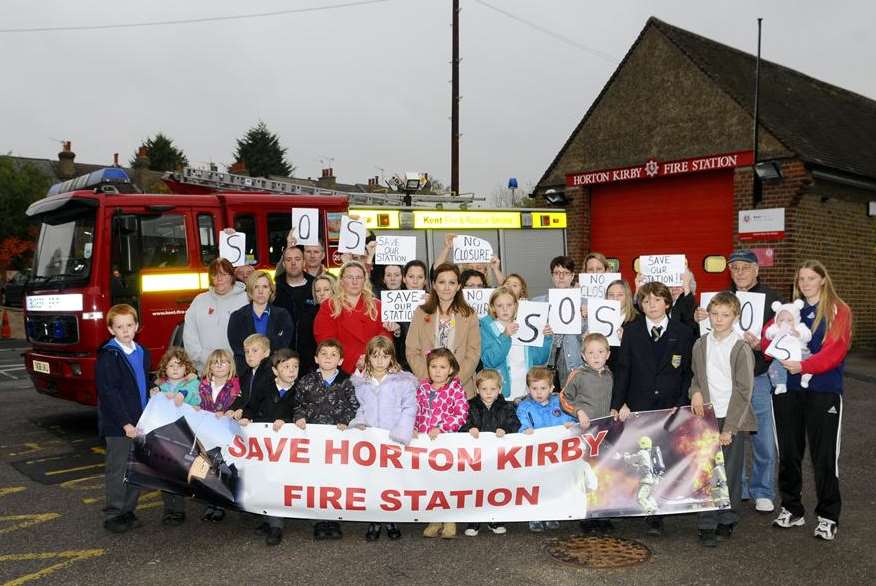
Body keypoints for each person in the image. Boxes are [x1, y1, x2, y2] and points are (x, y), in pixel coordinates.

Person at [694, 249, 783, 514]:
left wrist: (762, 345)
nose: (740, 272)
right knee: (730, 439)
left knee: (761, 435)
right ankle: (740, 486)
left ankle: (763, 490)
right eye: (735, 268)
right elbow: (705, 342)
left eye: (745, 267)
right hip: (724, 383)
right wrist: (699, 317)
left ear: (757, 270)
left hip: (758, 376)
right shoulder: (721, 300)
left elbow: (783, 340)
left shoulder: (773, 300)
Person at [768, 260, 852, 541]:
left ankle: (828, 516)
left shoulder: (838, 310)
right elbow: (769, 343)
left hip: (823, 390)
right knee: (789, 453)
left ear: (823, 280)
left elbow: (835, 352)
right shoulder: (790, 310)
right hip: (788, 390)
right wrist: (759, 341)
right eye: (801, 278)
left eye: (811, 278)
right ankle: (792, 510)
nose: (805, 283)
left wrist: (804, 367)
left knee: (824, 456)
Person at [611, 281, 694, 536]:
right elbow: (623, 369)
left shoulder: (684, 331)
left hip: (670, 405)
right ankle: (645, 511)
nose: (652, 305)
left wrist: (681, 404)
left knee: (665, 456)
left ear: (667, 303)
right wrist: (618, 403)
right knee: (642, 457)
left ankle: (662, 506)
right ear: (640, 305)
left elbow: (687, 373)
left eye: (657, 300)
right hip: (640, 404)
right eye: (646, 301)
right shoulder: (633, 332)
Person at [689, 292, 757, 547]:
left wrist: (730, 427)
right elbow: (696, 377)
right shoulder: (700, 344)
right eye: (715, 314)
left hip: (731, 417)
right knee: (706, 470)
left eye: (725, 315)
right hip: (705, 416)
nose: (719, 319)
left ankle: (727, 517)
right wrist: (694, 392)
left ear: (735, 317)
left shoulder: (740, 348)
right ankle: (706, 522)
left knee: (729, 472)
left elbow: (744, 390)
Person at [349, 335, 418, 541]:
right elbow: (361, 407)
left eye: (385, 356)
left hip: (392, 438)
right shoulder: (362, 382)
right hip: (371, 440)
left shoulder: (403, 382)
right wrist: (359, 422)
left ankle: (391, 519)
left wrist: (402, 432)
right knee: (372, 481)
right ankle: (374, 520)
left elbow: (409, 408)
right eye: (375, 355)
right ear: (368, 357)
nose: (380, 360)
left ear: (392, 358)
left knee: (392, 481)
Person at [293, 339, 360, 540]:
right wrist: (299, 417)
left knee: (335, 481)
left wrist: (346, 421)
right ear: (316, 358)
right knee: (317, 480)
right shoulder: (306, 381)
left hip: (338, 443)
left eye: (333, 355)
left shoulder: (348, 382)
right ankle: (319, 520)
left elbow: (355, 407)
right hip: (313, 441)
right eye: (324, 354)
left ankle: (334, 519)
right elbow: (297, 404)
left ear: (340, 360)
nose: (328, 358)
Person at [96, 304, 151, 534]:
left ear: (137, 326)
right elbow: (109, 393)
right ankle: (114, 513)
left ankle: (128, 510)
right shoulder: (110, 355)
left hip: (141, 422)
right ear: (111, 330)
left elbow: (142, 385)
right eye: (119, 326)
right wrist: (125, 423)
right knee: (118, 470)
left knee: (136, 469)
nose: (125, 330)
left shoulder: (142, 352)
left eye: (129, 325)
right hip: (120, 426)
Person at [239, 348, 300, 546]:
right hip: (264, 444)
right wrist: (247, 417)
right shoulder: (265, 386)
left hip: (286, 448)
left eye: (295, 367)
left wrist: (288, 421)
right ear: (275, 371)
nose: (291, 371)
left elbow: (301, 411)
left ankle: (276, 525)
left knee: (278, 481)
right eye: (286, 367)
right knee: (263, 479)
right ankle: (268, 518)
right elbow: (251, 406)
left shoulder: (300, 390)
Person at [559, 332, 614, 534]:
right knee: (586, 474)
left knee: (604, 472)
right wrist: (578, 411)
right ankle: (587, 515)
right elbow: (564, 398)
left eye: (600, 352)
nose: (596, 356)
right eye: (591, 353)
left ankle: (603, 514)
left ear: (608, 354)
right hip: (585, 434)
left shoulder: (610, 375)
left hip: (606, 432)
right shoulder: (578, 375)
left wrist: (616, 408)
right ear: (583, 356)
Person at [415, 348, 469, 539]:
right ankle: (435, 518)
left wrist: (443, 428)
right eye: (433, 366)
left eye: (442, 367)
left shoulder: (455, 389)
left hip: (446, 443)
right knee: (430, 482)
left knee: (447, 482)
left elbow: (462, 414)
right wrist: (414, 427)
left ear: (451, 369)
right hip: (426, 443)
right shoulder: (422, 388)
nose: (437, 371)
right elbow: (416, 411)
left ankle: (450, 519)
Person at [406, 263, 481, 398]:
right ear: (434, 285)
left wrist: (454, 381)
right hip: (428, 390)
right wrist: (430, 380)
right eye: (441, 282)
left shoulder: (469, 315)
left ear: (458, 286)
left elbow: (473, 352)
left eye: (451, 283)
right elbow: (412, 351)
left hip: (461, 390)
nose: (446, 287)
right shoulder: (420, 313)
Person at [460, 369, 519, 537]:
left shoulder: (507, 406)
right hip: (476, 458)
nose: (488, 393)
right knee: (475, 488)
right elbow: (462, 424)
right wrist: (468, 429)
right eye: (484, 389)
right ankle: (474, 520)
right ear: (477, 389)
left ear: (499, 389)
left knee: (496, 488)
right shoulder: (470, 405)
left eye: (493, 389)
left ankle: (495, 518)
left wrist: (505, 429)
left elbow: (515, 424)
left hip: (497, 458)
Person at [516, 366, 575, 532]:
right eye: (534, 388)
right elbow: (522, 423)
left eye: (543, 388)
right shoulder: (525, 407)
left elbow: (569, 418)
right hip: (535, 454)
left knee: (553, 483)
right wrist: (525, 430)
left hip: (555, 453)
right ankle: (534, 515)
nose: (539, 392)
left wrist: (570, 423)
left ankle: (551, 513)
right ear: (528, 389)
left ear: (551, 388)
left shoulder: (559, 403)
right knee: (535, 484)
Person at [314, 261, 394, 375]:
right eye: (350, 277)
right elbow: (325, 340)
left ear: (364, 280)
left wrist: (372, 358)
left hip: (375, 366)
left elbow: (385, 336)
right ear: (341, 281)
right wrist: (354, 360)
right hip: (341, 369)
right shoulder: (329, 306)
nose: (355, 281)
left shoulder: (378, 305)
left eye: (359, 277)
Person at [479, 286, 552, 401]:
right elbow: (490, 360)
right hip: (500, 393)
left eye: (509, 305)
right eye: (500, 306)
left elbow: (539, 360)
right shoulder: (486, 326)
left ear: (516, 306)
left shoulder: (525, 324)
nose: (505, 309)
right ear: (493, 307)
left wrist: (546, 338)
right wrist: (505, 336)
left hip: (526, 391)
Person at [197, 348, 240, 522]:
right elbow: (195, 402)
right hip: (206, 431)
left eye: (224, 362)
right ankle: (210, 503)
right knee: (207, 468)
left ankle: (220, 504)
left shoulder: (235, 385)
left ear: (230, 366)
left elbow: (236, 404)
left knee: (223, 468)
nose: (220, 365)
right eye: (215, 362)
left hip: (225, 433)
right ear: (210, 367)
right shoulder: (202, 385)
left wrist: (228, 411)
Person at [183, 258, 248, 373]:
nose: (219, 278)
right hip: (205, 370)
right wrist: (205, 358)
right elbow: (189, 336)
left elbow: (251, 336)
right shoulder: (199, 301)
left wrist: (235, 361)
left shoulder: (246, 299)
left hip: (237, 370)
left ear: (232, 276)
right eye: (215, 274)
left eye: (223, 274)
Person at [227, 270, 294, 376]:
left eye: (265, 287)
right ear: (250, 291)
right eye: (256, 287)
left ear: (271, 291)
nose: (260, 291)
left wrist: (265, 362)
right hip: (246, 374)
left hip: (275, 373)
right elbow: (238, 348)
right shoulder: (237, 317)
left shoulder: (283, 315)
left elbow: (283, 345)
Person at [533, 256, 582, 386]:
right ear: (552, 276)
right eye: (557, 273)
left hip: (573, 361)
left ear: (572, 276)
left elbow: (589, 336)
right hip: (546, 360)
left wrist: (585, 317)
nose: (561, 277)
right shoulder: (537, 302)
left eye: (565, 273)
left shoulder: (583, 304)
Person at [764, 300, 813, 393]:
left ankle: (806, 376)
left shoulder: (800, 326)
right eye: (781, 320)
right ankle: (780, 384)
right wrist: (775, 333)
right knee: (774, 367)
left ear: (796, 319)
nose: (785, 323)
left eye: (789, 320)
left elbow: (808, 336)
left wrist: (798, 334)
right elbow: (768, 333)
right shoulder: (776, 328)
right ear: (776, 319)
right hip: (783, 354)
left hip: (800, 351)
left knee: (809, 360)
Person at [274, 245, 315, 352]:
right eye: (288, 260)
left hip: (312, 355)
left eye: (297, 259)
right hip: (283, 355)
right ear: (283, 264)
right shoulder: (274, 290)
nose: (293, 263)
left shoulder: (316, 287)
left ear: (304, 262)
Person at [297, 274, 336, 375]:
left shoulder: (343, 312)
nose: (321, 293)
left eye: (326, 290)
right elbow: (304, 348)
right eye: (318, 291)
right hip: (315, 368)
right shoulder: (307, 316)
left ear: (334, 290)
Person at [228, 334, 274, 417]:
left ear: (266, 353)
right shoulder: (246, 374)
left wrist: (245, 412)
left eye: (255, 350)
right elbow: (241, 397)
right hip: (247, 419)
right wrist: (232, 409)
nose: (250, 355)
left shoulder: (271, 374)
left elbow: (263, 401)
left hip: (264, 422)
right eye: (247, 351)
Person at [605, 279, 639, 373]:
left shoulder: (638, 319)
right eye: (611, 295)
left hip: (629, 371)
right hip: (604, 371)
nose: (615, 298)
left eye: (620, 295)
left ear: (627, 296)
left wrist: (627, 339)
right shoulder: (599, 317)